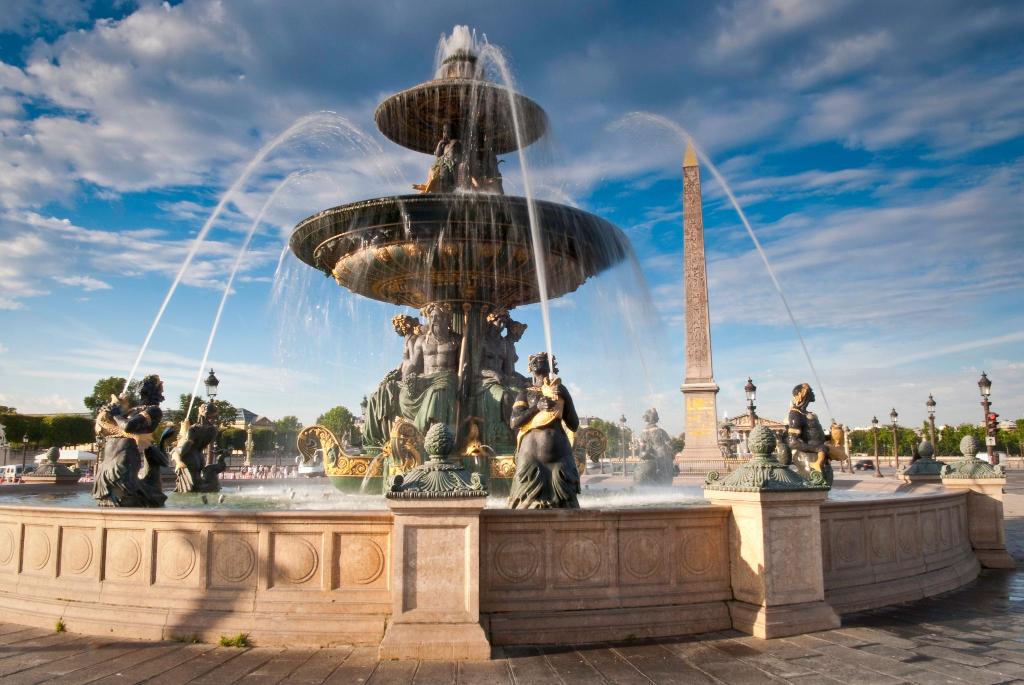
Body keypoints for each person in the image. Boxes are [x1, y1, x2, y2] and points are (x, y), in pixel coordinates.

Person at [508, 353, 580, 509]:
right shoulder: (525, 393)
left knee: (568, 504)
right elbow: (514, 422)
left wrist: (566, 397)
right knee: (524, 503)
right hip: (531, 458)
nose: (542, 357)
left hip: (560, 457)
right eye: (537, 359)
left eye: (546, 358)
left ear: (552, 366)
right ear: (531, 367)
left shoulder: (560, 391)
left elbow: (574, 424)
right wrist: (536, 407)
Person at [92, 375, 169, 507]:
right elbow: (104, 427)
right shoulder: (133, 409)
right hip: (109, 457)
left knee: (124, 498)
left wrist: (116, 414)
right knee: (108, 500)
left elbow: (128, 426)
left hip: (124, 457)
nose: (141, 389)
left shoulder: (154, 410)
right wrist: (108, 410)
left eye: (147, 386)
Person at [787, 383, 834, 486]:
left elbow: (815, 436)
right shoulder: (795, 414)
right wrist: (817, 448)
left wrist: (832, 436)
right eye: (811, 391)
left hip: (821, 456)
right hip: (808, 458)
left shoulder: (809, 414)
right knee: (814, 486)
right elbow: (792, 442)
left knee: (826, 486)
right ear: (803, 393)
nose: (813, 393)